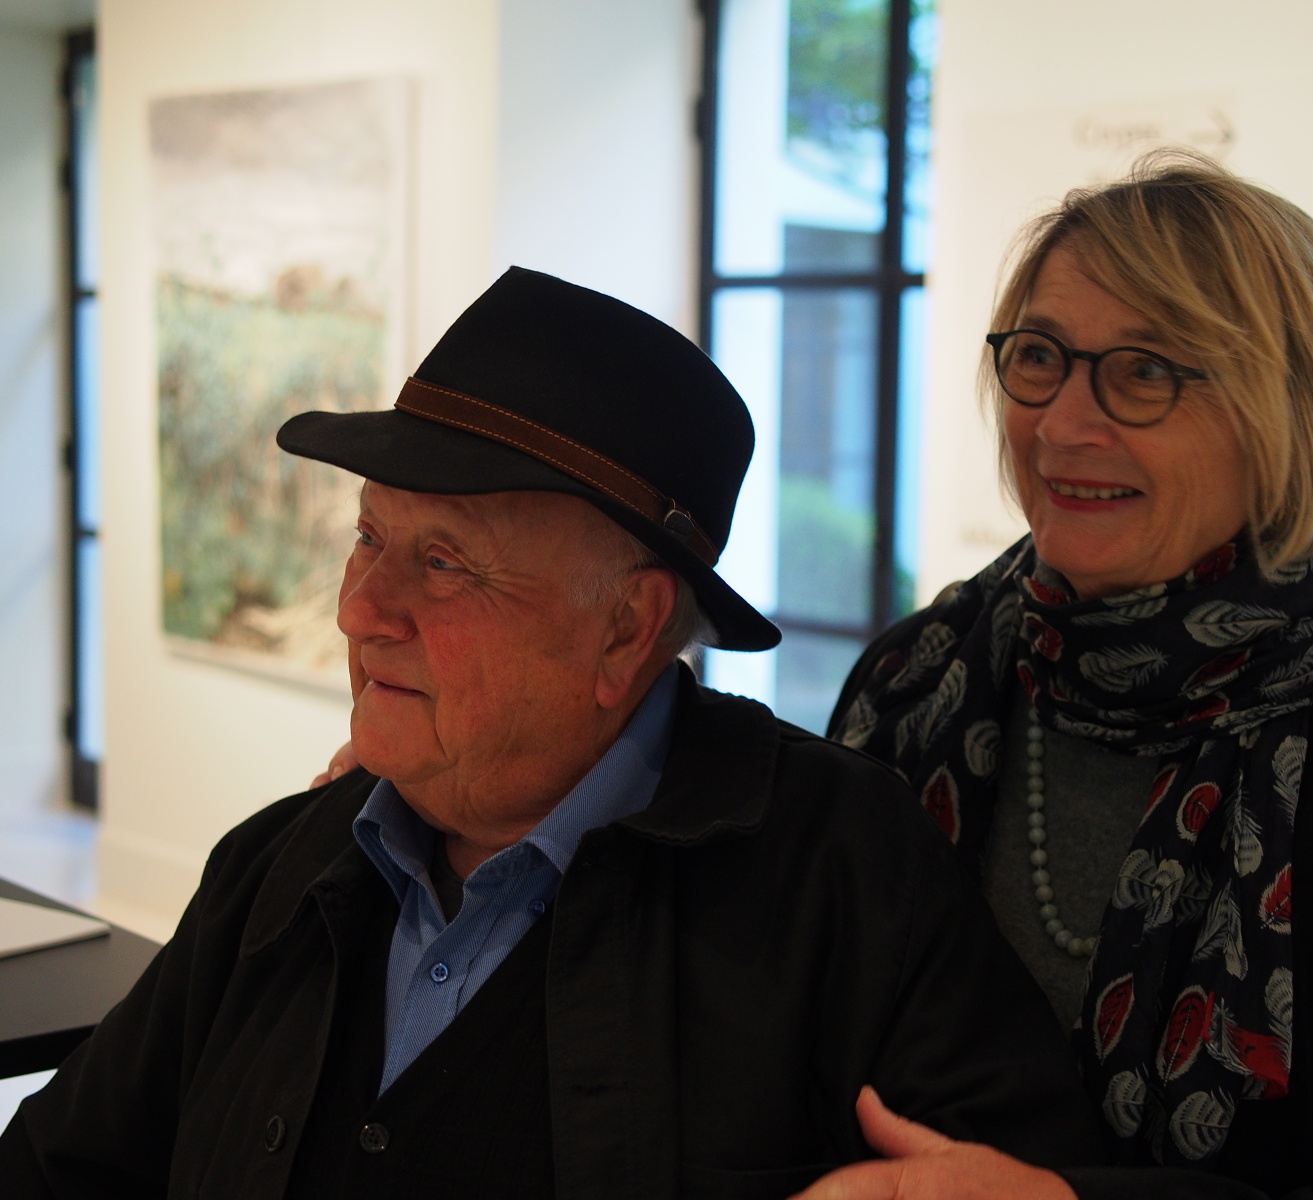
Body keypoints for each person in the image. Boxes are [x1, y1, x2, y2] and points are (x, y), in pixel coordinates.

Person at [0, 269, 1105, 1198]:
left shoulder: (838, 876)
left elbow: (1010, 1181)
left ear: (626, 630)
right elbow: (56, 1171)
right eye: (369, 538)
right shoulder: (278, 868)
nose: (361, 610)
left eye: (442, 563)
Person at [797, 153, 1313, 1199]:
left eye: (1144, 371)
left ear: (1281, 410)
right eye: (1040, 356)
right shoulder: (908, 683)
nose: (1061, 424)